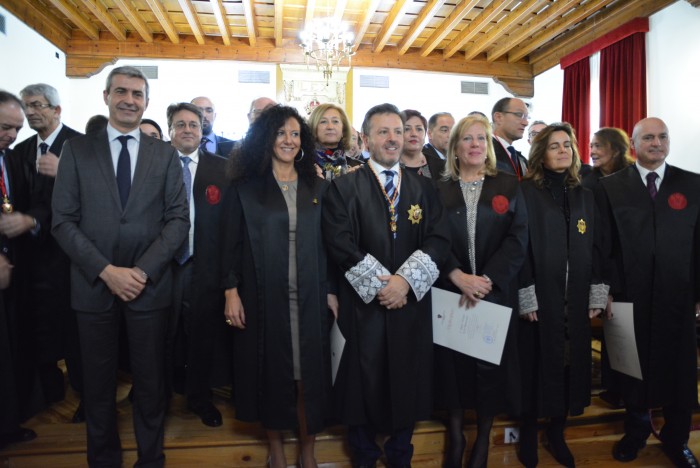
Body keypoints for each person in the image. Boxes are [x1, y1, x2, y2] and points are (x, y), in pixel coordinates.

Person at [52, 66, 189, 467]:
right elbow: (62, 220)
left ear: (147, 102)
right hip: (93, 286)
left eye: (138, 94)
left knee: (150, 384)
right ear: (107, 96)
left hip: (149, 287)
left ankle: (151, 459)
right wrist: (106, 271)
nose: (130, 100)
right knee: (97, 387)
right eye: (122, 92)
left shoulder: (164, 154)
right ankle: (104, 459)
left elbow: (178, 219)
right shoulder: (77, 150)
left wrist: (142, 271)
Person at [323, 103, 450, 467]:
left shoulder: (424, 189)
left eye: (398, 131)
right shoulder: (344, 188)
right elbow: (339, 241)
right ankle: (363, 454)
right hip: (363, 307)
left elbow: (439, 240)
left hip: (409, 305)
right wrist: (384, 286)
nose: (393, 138)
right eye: (383, 132)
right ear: (365, 139)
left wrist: (405, 282)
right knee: (361, 378)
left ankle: (400, 453)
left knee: (407, 376)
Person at [222, 105, 332, 468]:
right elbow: (229, 244)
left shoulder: (318, 186)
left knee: (308, 379)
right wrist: (231, 291)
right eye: (281, 133)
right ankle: (278, 453)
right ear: (266, 138)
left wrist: (331, 291)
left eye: (295, 133)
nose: (289, 140)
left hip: (310, 297)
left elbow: (331, 245)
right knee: (272, 376)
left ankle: (308, 452)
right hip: (263, 297)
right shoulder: (246, 188)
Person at [596, 118, 700, 468]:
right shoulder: (610, 187)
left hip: (678, 297)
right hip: (629, 295)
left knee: (680, 371)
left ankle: (677, 438)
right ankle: (636, 432)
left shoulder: (692, 184)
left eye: (663, 137)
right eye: (649, 138)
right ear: (634, 146)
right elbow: (602, 244)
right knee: (633, 369)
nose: (657, 143)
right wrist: (604, 290)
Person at [434, 114, 528, 468]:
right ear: (455, 147)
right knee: (453, 367)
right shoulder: (438, 188)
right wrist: (456, 275)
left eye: (480, 138)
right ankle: (456, 433)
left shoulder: (508, 184)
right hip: (451, 291)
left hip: (494, 291)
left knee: (490, 367)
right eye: (467, 139)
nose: (474, 144)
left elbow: (518, 239)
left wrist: (486, 279)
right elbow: (432, 239)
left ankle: (484, 437)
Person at [517, 123, 607, 468]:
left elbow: (598, 244)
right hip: (541, 296)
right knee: (535, 364)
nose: (562, 150)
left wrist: (597, 293)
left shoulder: (585, 193)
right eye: (554, 146)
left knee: (570, 365)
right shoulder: (526, 192)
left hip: (577, 295)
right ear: (541, 153)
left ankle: (557, 431)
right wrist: (526, 293)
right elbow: (518, 247)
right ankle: (528, 430)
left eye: (567, 145)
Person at [13, 83, 84, 420]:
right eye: (27, 105)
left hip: (73, 257)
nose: (31, 112)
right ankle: (49, 389)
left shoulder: (82, 146)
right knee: (38, 326)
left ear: (57, 110)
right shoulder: (20, 150)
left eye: (38, 105)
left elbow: (98, 200)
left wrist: (66, 173)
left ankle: (86, 393)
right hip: (32, 259)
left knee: (77, 329)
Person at [164, 102, 230, 427]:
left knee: (202, 334)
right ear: (170, 130)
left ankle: (199, 397)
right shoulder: (155, 164)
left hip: (205, 266)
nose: (188, 129)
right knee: (161, 334)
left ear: (203, 129)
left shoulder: (222, 168)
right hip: (162, 266)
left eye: (194, 124)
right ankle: (158, 398)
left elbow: (231, 224)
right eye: (180, 124)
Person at [0, 90, 37, 450]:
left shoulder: (12, 160)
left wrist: (29, 220)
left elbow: (25, 205)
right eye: (5, 127)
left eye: (16, 129)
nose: (11, 136)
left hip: (15, 271)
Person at [308, 102, 362, 180]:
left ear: (343, 130)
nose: (330, 127)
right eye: (323, 121)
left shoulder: (357, 167)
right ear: (314, 129)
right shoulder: (304, 165)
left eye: (335, 121)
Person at [399, 109, 444, 181]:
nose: (414, 134)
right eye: (407, 129)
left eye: (419, 129)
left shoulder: (442, 168)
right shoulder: (389, 166)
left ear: (425, 134)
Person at [491, 97, 529, 179]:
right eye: (519, 115)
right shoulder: (484, 153)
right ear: (498, 117)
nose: (526, 123)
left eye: (526, 117)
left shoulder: (521, 159)